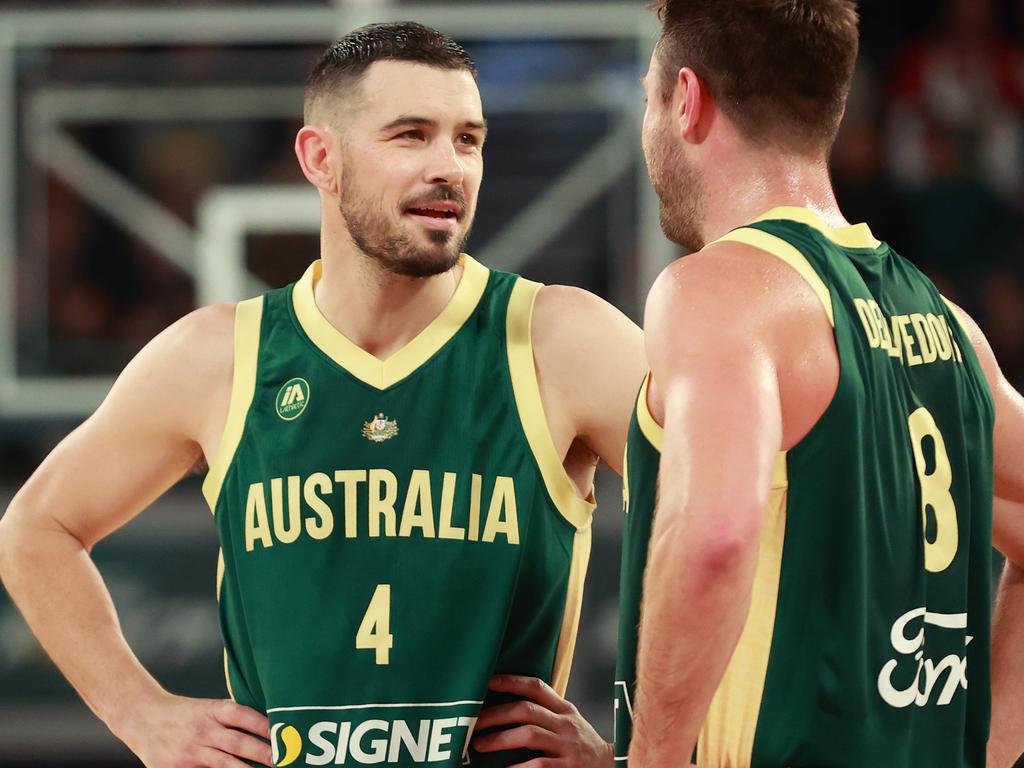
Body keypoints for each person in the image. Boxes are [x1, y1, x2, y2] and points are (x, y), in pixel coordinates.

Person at [0, 23, 643, 768]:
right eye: (411, 135)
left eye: (469, 140)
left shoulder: (563, 339)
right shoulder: (220, 356)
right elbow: (34, 531)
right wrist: (142, 715)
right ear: (320, 159)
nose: (450, 168)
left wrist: (636, 754)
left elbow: (737, 527)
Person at [614, 1, 1024, 766]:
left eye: (648, 97)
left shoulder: (716, 294)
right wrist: (991, 748)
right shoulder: (950, 326)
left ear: (687, 102)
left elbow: (715, 538)